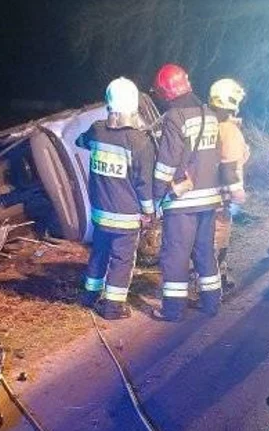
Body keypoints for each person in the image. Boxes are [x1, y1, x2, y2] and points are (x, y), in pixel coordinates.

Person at [150, 63, 226, 322]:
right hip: (209, 198)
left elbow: (167, 163)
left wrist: (156, 195)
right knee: (205, 250)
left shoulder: (174, 117)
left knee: (176, 255)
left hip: (183, 201)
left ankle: (172, 309)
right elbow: (216, 155)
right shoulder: (209, 114)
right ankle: (212, 302)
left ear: (165, 92)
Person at [76, 77, 156, 320]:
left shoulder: (97, 130)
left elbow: (80, 141)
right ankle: (112, 307)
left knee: (99, 253)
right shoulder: (139, 141)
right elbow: (144, 183)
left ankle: (89, 296)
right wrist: (149, 211)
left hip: (100, 212)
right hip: (126, 216)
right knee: (122, 260)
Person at [208, 78, 249, 289]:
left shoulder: (210, 124)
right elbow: (229, 165)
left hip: (209, 193)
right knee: (218, 238)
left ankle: (217, 275)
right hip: (222, 196)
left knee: (212, 237)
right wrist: (238, 191)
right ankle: (213, 280)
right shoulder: (229, 130)